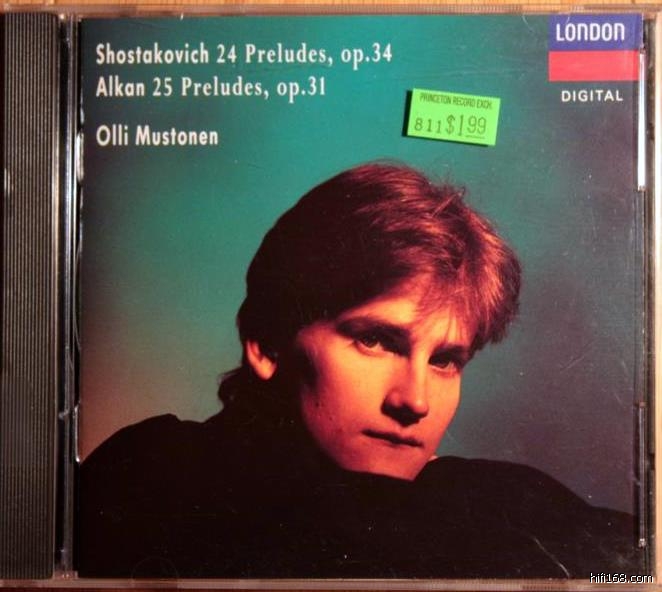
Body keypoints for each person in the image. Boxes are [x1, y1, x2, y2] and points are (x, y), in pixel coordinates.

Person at [78, 163, 641, 578]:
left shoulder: (499, 503)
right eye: (374, 341)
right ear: (267, 344)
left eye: (444, 360)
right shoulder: (154, 473)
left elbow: (632, 576)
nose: (414, 400)